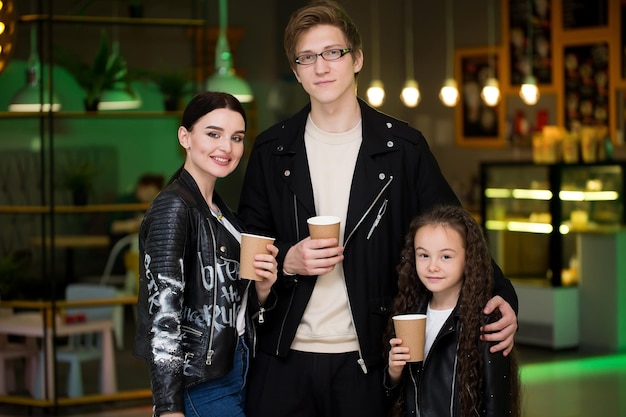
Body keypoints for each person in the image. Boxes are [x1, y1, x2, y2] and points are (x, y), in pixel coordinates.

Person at [237, 2, 518, 416]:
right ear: (296, 71)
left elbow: (455, 232)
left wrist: (503, 295)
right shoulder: (272, 150)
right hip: (283, 360)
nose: (321, 66)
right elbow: (248, 249)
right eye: (307, 58)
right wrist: (288, 260)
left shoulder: (402, 149)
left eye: (333, 52)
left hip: (368, 360)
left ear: (357, 59)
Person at [134, 91, 279, 417]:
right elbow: (163, 317)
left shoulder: (220, 211)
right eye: (213, 134)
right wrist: (169, 407)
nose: (226, 147)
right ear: (185, 136)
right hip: (200, 381)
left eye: (236, 137)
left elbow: (233, 302)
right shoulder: (174, 207)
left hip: (237, 364)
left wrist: (263, 288)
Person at [385, 205, 520, 417]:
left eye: (445, 257)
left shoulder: (487, 320)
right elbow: (397, 400)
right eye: (423, 255)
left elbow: (497, 404)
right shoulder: (410, 311)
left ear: (469, 259)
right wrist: (393, 373)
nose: (432, 266)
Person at [107, 174, 165, 275]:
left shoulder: (152, 205)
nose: (150, 197)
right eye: (149, 193)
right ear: (141, 187)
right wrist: (135, 224)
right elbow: (113, 227)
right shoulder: (125, 202)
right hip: (125, 246)